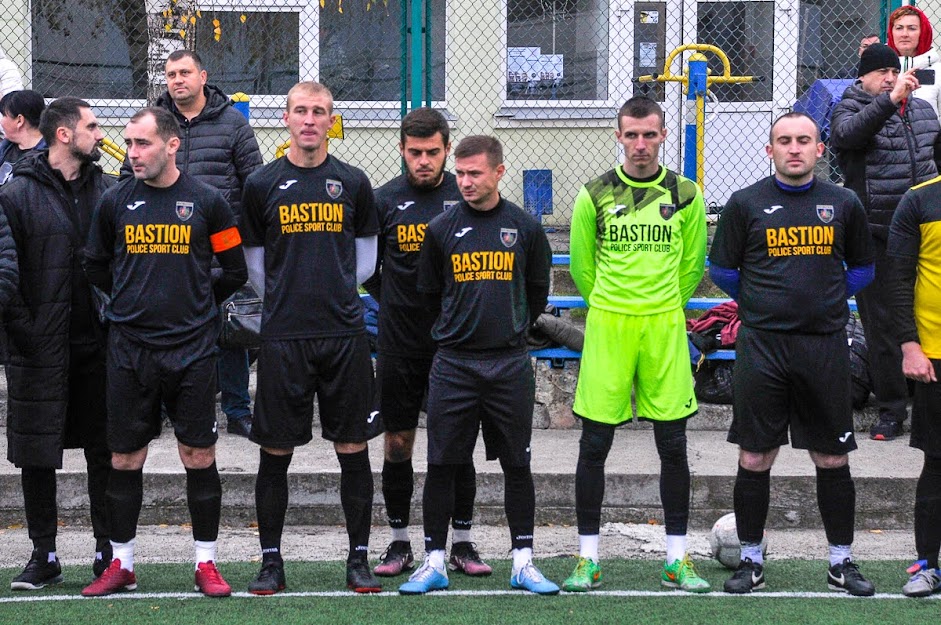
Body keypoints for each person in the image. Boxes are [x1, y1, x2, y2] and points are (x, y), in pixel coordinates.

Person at [80, 107, 247, 597]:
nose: (132, 153)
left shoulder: (209, 202)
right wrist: (132, 304)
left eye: (142, 144)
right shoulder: (114, 203)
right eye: (129, 143)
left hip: (193, 350)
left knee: (198, 454)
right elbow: (95, 266)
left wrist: (197, 305)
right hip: (129, 350)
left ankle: (206, 564)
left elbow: (234, 270)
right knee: (125, 458)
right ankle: (123, 564)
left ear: (171, 145)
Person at [710, 112, 876, 595]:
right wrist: (763, 301)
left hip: (824, 346)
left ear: (819, 149)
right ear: (770, 150)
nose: (795, 148)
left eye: (804, 140)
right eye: (784, 141)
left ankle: (841, 563)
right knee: (756, 454)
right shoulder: (745, 204)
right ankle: (751, 562)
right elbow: (723, 270)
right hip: (763, 347)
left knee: (831, 457)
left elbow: (863, 269)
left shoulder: (843, 202)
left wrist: (824, 297)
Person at [239, 81, 382, 595]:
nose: (309, 120)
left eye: (318, 112)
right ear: (286, 117)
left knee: (353, 447)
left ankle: (359, 559)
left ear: (330, 120)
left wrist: (337, 291)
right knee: (275, 451)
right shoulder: (261, 184)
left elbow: (366, 259)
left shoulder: (354, 182)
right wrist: (287, 298)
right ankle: (271, 561)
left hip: (343, 334)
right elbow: (254, 264)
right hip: (283, 337)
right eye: (300, 110)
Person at [399, 135, 557, 596]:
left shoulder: (524, 228)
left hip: (508, 364)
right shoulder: (441, 229)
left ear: (499, 173)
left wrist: (506, 330)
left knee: (517, 465)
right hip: (453, 365)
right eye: (461, 173)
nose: (465, 182)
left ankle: (523, 562)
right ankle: (433, 562)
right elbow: (429, 295)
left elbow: (537, 295)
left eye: (475, 173)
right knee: (443, 464)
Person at [563, 96, 709, 594]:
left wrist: (662, 304)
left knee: (673, 445)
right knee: (594, 445)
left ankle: (676, 560)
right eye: (632, 134)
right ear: (618, 135)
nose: (641, 144)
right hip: (609, 325)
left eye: (650, 134)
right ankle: (587, 560)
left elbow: (692, 267)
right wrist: (612, 305)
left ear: (664, 135)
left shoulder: (687, 193)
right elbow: (583, 268)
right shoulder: (594, 193)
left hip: (664, 326)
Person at [363, 107, 490, 578]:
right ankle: (398, 543)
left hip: (455, 346)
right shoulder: (383, 201)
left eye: (433, 153)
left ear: (446, 151)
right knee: (397, 444)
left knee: (454, 446)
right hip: (400, 344)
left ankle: (462, 542)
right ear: (401, 150)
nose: (423, 161)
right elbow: (368, 271)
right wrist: (398, 301)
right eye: (414, 152)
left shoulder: (466, 199)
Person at [1, 97, 112, 591]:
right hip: (37, 348)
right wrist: (26, 330)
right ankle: (43, 554)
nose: (100, 133)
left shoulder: (109, 191)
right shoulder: (16, 194)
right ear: (64, 135)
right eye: (91, 125)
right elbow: (7, 271)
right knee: (36, 453)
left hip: (99, 348)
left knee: (103, 452)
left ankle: (109, 551)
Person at [830, 43, 941, 441]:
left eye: (894, 72)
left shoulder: (924, 110)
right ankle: (892, 409)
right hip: (876, 232)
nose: (890, 78)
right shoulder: (849, 108)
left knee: (924, 317)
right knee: (882, 326)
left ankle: (924, 398)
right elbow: (847, 136)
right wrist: (889, 103)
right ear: (862, 77)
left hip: (925, 235)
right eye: (881, 73)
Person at [150, 49, 263, 438]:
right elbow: (134, 173)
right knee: (169, 331)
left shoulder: (233, 124)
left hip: (221, 245)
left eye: (184, 72)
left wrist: (247, 239)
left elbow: (254, 183)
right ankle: (169, 409)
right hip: (168, 246)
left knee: (230, 331)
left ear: (203, 76)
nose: (177, 80)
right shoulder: (157, 123)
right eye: (170, 74)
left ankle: (236, 411)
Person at [886, 176, 941, 597]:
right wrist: (909, 345)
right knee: (938, 464)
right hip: (934, 357)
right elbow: (897, 280)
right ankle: (929, 566)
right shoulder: (919, 201)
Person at [887, 6, 941, 116]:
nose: (904, 34)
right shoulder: (878, 68)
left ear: (923, 32)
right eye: (899, 28)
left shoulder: (938, 71)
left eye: (912, 28)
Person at [0, 90, 46, 186]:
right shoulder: (6, 147)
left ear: (19, 120)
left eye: (4, 115)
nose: (1, 121)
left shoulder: (47, 158)